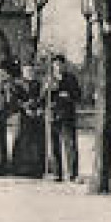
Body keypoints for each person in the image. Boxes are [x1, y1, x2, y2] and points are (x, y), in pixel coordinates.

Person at [42, 55, 82, 183]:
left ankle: (73, 173)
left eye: (60, 64)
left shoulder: (71, 78)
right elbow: (42, 98)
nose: (58, 67)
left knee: (70, 144)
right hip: (52, 115)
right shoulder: (48, 79)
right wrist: (46, 89)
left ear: (64, 65)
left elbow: (78, 95)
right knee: (54, 145)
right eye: (56, 64)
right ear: (53, 66)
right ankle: (56, 173)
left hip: (67, 115)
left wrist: (68, 95)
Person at [9, 62, 47, 179]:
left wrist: (40, 107)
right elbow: (14, 99)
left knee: (37, 143)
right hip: (22, 116)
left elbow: (44, 97)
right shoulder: (17, 84)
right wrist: (25, 107)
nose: (29, 73)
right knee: (22, 142)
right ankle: (19, 168)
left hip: (37, 116)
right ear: (23, 72)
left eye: (31, 71)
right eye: (27, 71)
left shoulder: (39, 84)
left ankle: (36, 169)